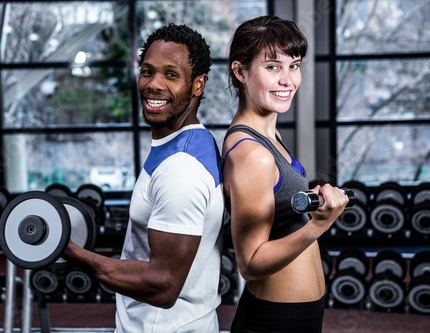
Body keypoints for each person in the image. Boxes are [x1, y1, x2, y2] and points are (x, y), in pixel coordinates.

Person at [63, 23, 224, 333]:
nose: (154, 84)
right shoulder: (191, 141)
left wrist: (70, 251)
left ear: (198, 85)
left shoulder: (181, 170)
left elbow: (163, 286)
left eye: (171, 75)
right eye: (147, 71)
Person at [221, 16, 350, 333]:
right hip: (275, 321)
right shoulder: (252, 154)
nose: (288, 79)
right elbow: (250, 264)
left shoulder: (267, 137)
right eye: (273, 67)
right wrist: (319, 225)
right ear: (240, 72)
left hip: (297, 315)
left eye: (294, 65)